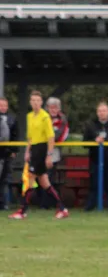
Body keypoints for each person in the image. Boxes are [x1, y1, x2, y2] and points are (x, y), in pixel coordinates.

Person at [9, 91, 69, 220]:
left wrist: (49, 155)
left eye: (38, 100)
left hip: (42, 149)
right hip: (34, 149)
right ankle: (62, 208)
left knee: (30, 179)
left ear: (41, 103)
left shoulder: (45, 117)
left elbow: (51, 137)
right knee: (44, 182)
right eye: (33, 100)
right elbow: (30, 137)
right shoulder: (29, 116)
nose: (35, 103)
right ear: (30, 102)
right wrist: (27, 151)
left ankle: (23, 210)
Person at [83, 102, 108, 211]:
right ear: (97, 113)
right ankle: (90, 207)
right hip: (95, 161)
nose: (102, 113)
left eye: (104, 111)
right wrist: (94, 141)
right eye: (100, 111)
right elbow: (84, 144)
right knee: (94, 184)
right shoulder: (90, 126)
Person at [41, 97, 69, 209]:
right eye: (51, 107)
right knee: (40, 176)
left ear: (59, 108)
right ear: (47, 108)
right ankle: (41, 202)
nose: (53, 110)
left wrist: (48, 137)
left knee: (49, 176)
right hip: (40, 150)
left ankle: (48, 203)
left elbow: (59, 136)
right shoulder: (42, 117)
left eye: (55, 107)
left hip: (54, 152)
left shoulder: (62, 119)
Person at [0, 97, 18, 210]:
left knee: (6, 179)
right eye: (1, 105)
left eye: (5, 105)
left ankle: (5, 204)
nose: (3, 107)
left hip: (7, 153)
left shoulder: (12, 119)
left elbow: (16, 135)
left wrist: (14, 150)